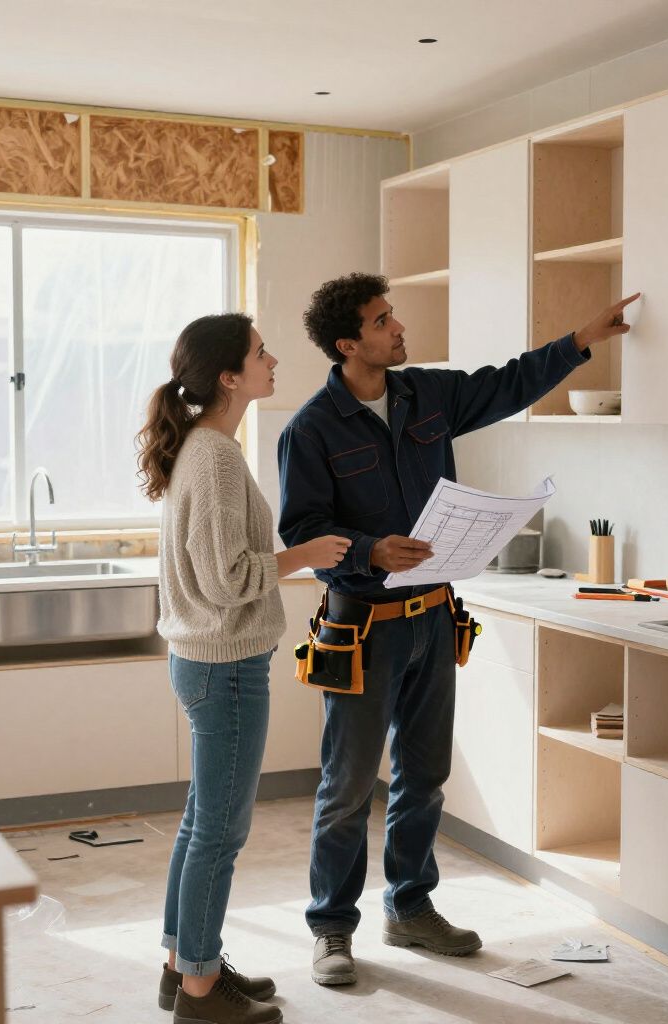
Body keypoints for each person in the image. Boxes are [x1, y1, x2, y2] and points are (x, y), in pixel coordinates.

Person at [278, 273, 639, 986]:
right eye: (383, 321)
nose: (397, 327)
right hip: (359, 630)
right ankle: (331, 929)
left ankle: (410, 909)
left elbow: (504, 384)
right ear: (349, 344)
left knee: (425, 776)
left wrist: (577, 344)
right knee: (348, 785)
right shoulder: (310, 430)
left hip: (433, 621)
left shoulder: (426, 396)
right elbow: (301, 533)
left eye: (392, 315)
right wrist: (370, 549)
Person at [137, 312, 351, 1024]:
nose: (274, 359)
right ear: (230, 376)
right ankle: (199, 993)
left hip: (208, 662)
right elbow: (230, 578)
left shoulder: (205, 447)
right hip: (225, 667)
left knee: (204, 823)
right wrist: (306, 554)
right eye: (262, 352)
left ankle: (184, 964)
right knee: (220, 833)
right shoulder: (216, 456)